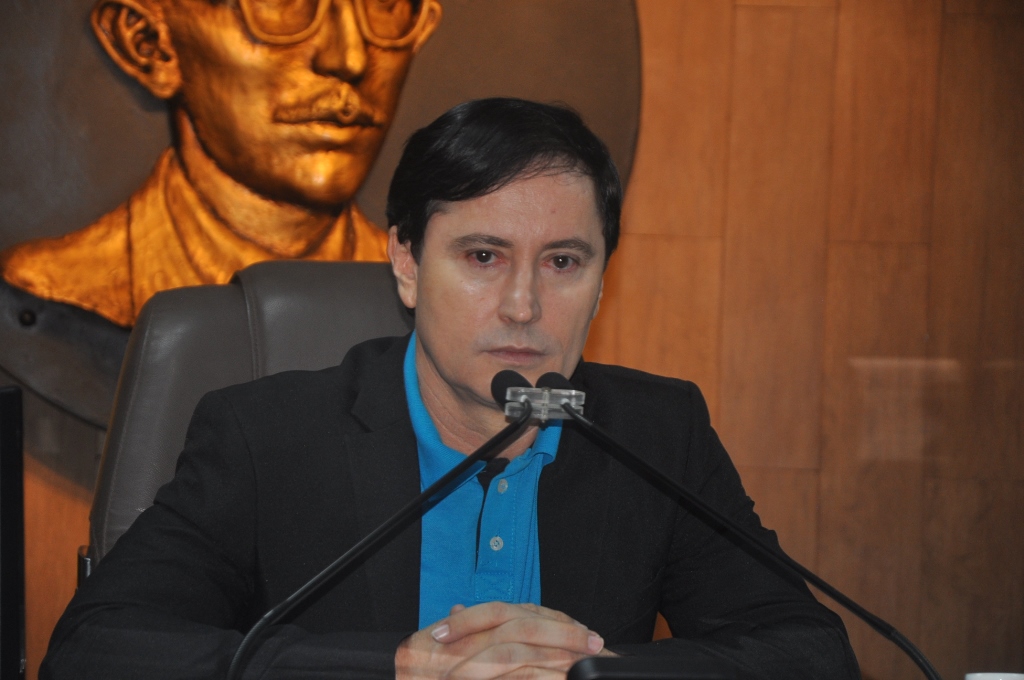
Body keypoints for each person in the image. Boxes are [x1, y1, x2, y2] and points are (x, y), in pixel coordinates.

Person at [41, 98, 860, 679]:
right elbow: (95, 649)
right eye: (483, 256)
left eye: (563, 262)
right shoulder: (268, 435)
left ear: (603, 280)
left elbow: (811, 652)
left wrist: (592, 671)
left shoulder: (655, 435)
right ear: (406, 261)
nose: (523, 305)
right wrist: (397, 668)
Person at [1, 0, 441, 328]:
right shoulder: (67, 280)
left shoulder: (428, 289)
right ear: (149, 45)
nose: (349, 58)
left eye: (386, 4)